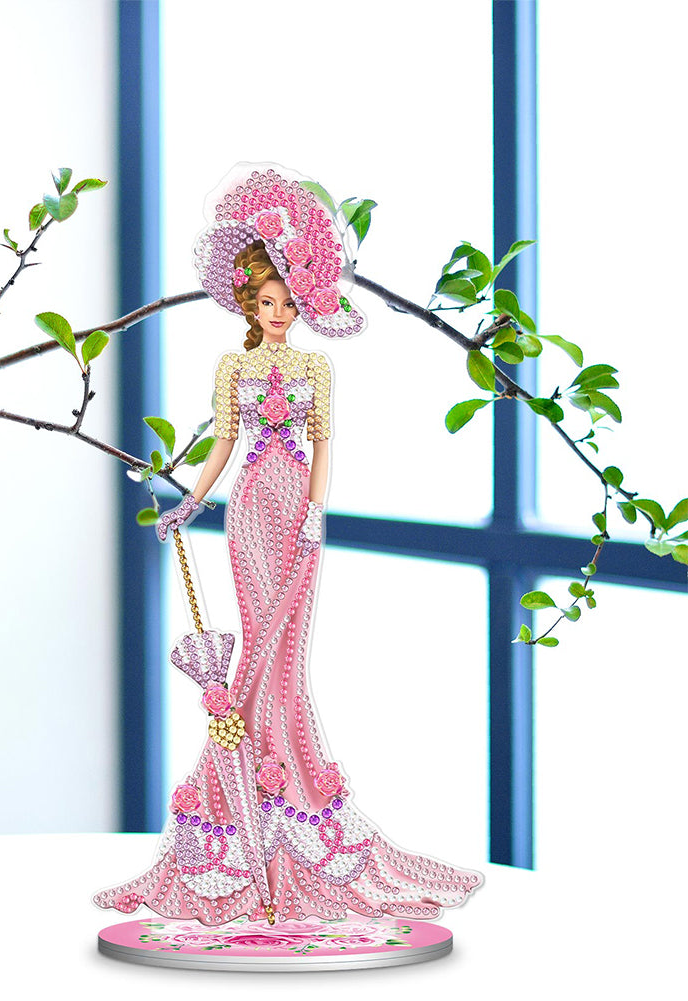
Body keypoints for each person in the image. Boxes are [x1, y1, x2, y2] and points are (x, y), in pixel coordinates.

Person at [95, 165, 482, 925]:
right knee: (254, 650)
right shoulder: (234, 366)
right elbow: (222, 444)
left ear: (302, 305)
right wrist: (191, 502)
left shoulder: (315, 366)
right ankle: (242, 810)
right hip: (248, 511)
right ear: (250, 304)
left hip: (298, 507)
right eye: (266, 302)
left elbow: (326, 442)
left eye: (288, 302)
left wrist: (315, 510)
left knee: (289, 654)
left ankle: (286, 799)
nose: (278, 314)